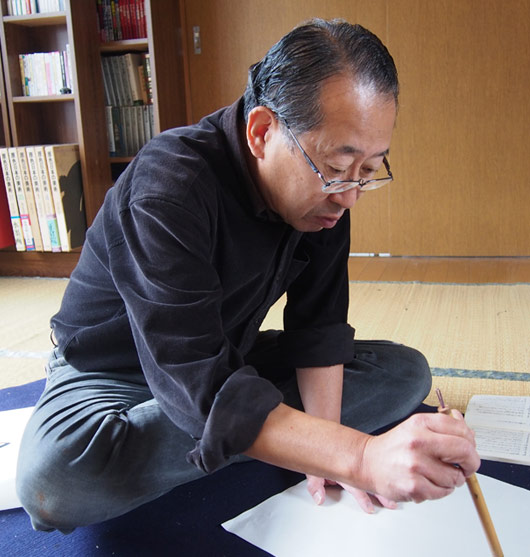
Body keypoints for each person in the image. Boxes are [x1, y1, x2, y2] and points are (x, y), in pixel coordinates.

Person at [16, 18, 479, 533]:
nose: (349, 196)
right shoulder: (168, 185)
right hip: (113, 373)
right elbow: (191, 369)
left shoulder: (326, 198)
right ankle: (249, 428)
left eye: (368, 171)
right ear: (262, 132)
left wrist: (326, 454)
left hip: (225, 353)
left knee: (405, 371)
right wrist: (358, 455)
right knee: (56, 480)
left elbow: (319, 329)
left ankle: (251, 429)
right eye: (336, 167)